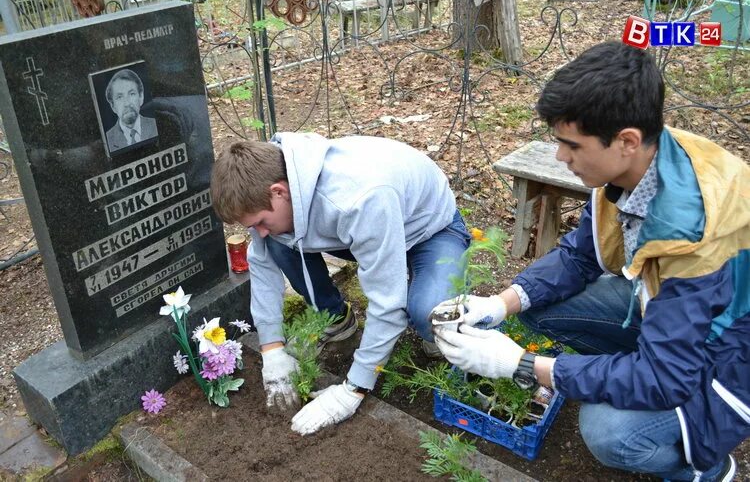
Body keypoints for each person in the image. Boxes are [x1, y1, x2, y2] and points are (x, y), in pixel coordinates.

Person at [433, 41, 748, 482]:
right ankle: (618, 369)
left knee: (608, 431)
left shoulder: (692, 234)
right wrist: (499, 304)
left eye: (571, 145)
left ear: (626, 141)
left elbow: (664, 377)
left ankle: (707, 471)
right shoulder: (635, 166)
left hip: (727, 348)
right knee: (537, 306)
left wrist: (524, 366)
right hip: (668, 311)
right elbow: (580, 255)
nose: (561, 157)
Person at [210, 133, 471, 435]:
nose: (260, 232)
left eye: (260, 223)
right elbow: (263, 266)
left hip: (428, 230)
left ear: (279, 192)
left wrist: (353, 389)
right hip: (365, 226)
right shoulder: (265, 187)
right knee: (279, 243)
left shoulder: (358, 199)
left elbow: (388, 303)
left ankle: (432, 310)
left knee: (430, 316)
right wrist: (271, 349)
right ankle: (336, 319)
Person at [104, 69, 157, 151]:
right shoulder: (107, 140)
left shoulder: (155, 125)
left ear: (141, 97)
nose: (127, 103)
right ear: (113, 106)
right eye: (120, 97)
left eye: (132, 94)